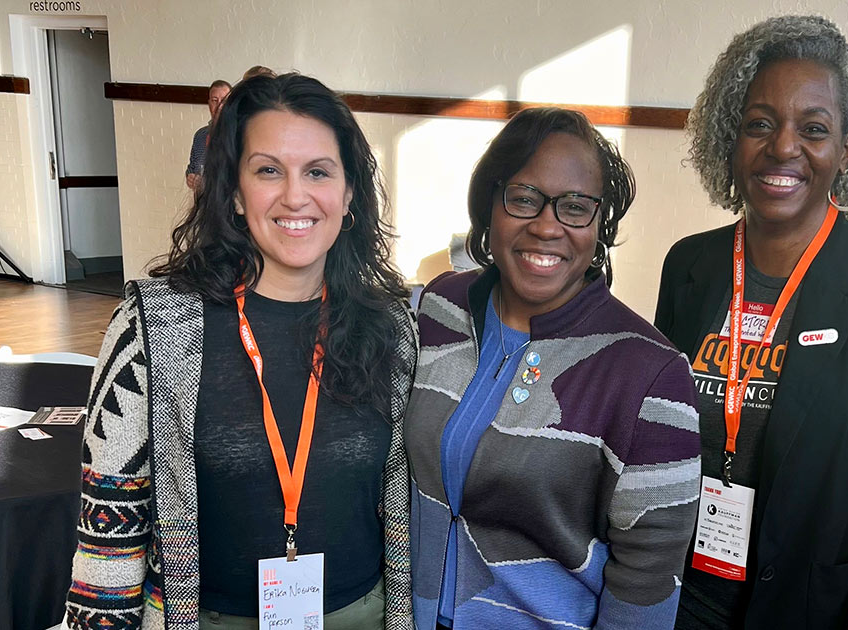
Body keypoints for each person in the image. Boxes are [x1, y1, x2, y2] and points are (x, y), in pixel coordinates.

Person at [66, 73, 415, 630]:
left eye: (318, 172)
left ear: (349, 194)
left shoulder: (391, 327)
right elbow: (109, 535)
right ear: (233, 190)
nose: (295, 196)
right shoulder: (151, 328)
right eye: (268, 170)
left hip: (363, 615)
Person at [656, 16, 848, 630]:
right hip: (679, 597)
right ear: (731, 137)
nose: (783, 148)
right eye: (760, 124)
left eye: (813, 129)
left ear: (846, 147)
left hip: (815, 609)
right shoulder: (689, 265)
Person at [404, 107, 701, 630]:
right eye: (523, 198)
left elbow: (647, 584)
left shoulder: (650, 375)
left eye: (574, 207)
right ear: (488, 206)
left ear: (599, 223)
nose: (546, 226)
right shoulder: (441, 307)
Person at [185, 79, 231, 190]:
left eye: (224, 101)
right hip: (203, 203)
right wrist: (190, 177)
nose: (219, 106)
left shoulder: (239, 136)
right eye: (215, 100)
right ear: (209, 103)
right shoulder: (200, 135)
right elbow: (192, 168)